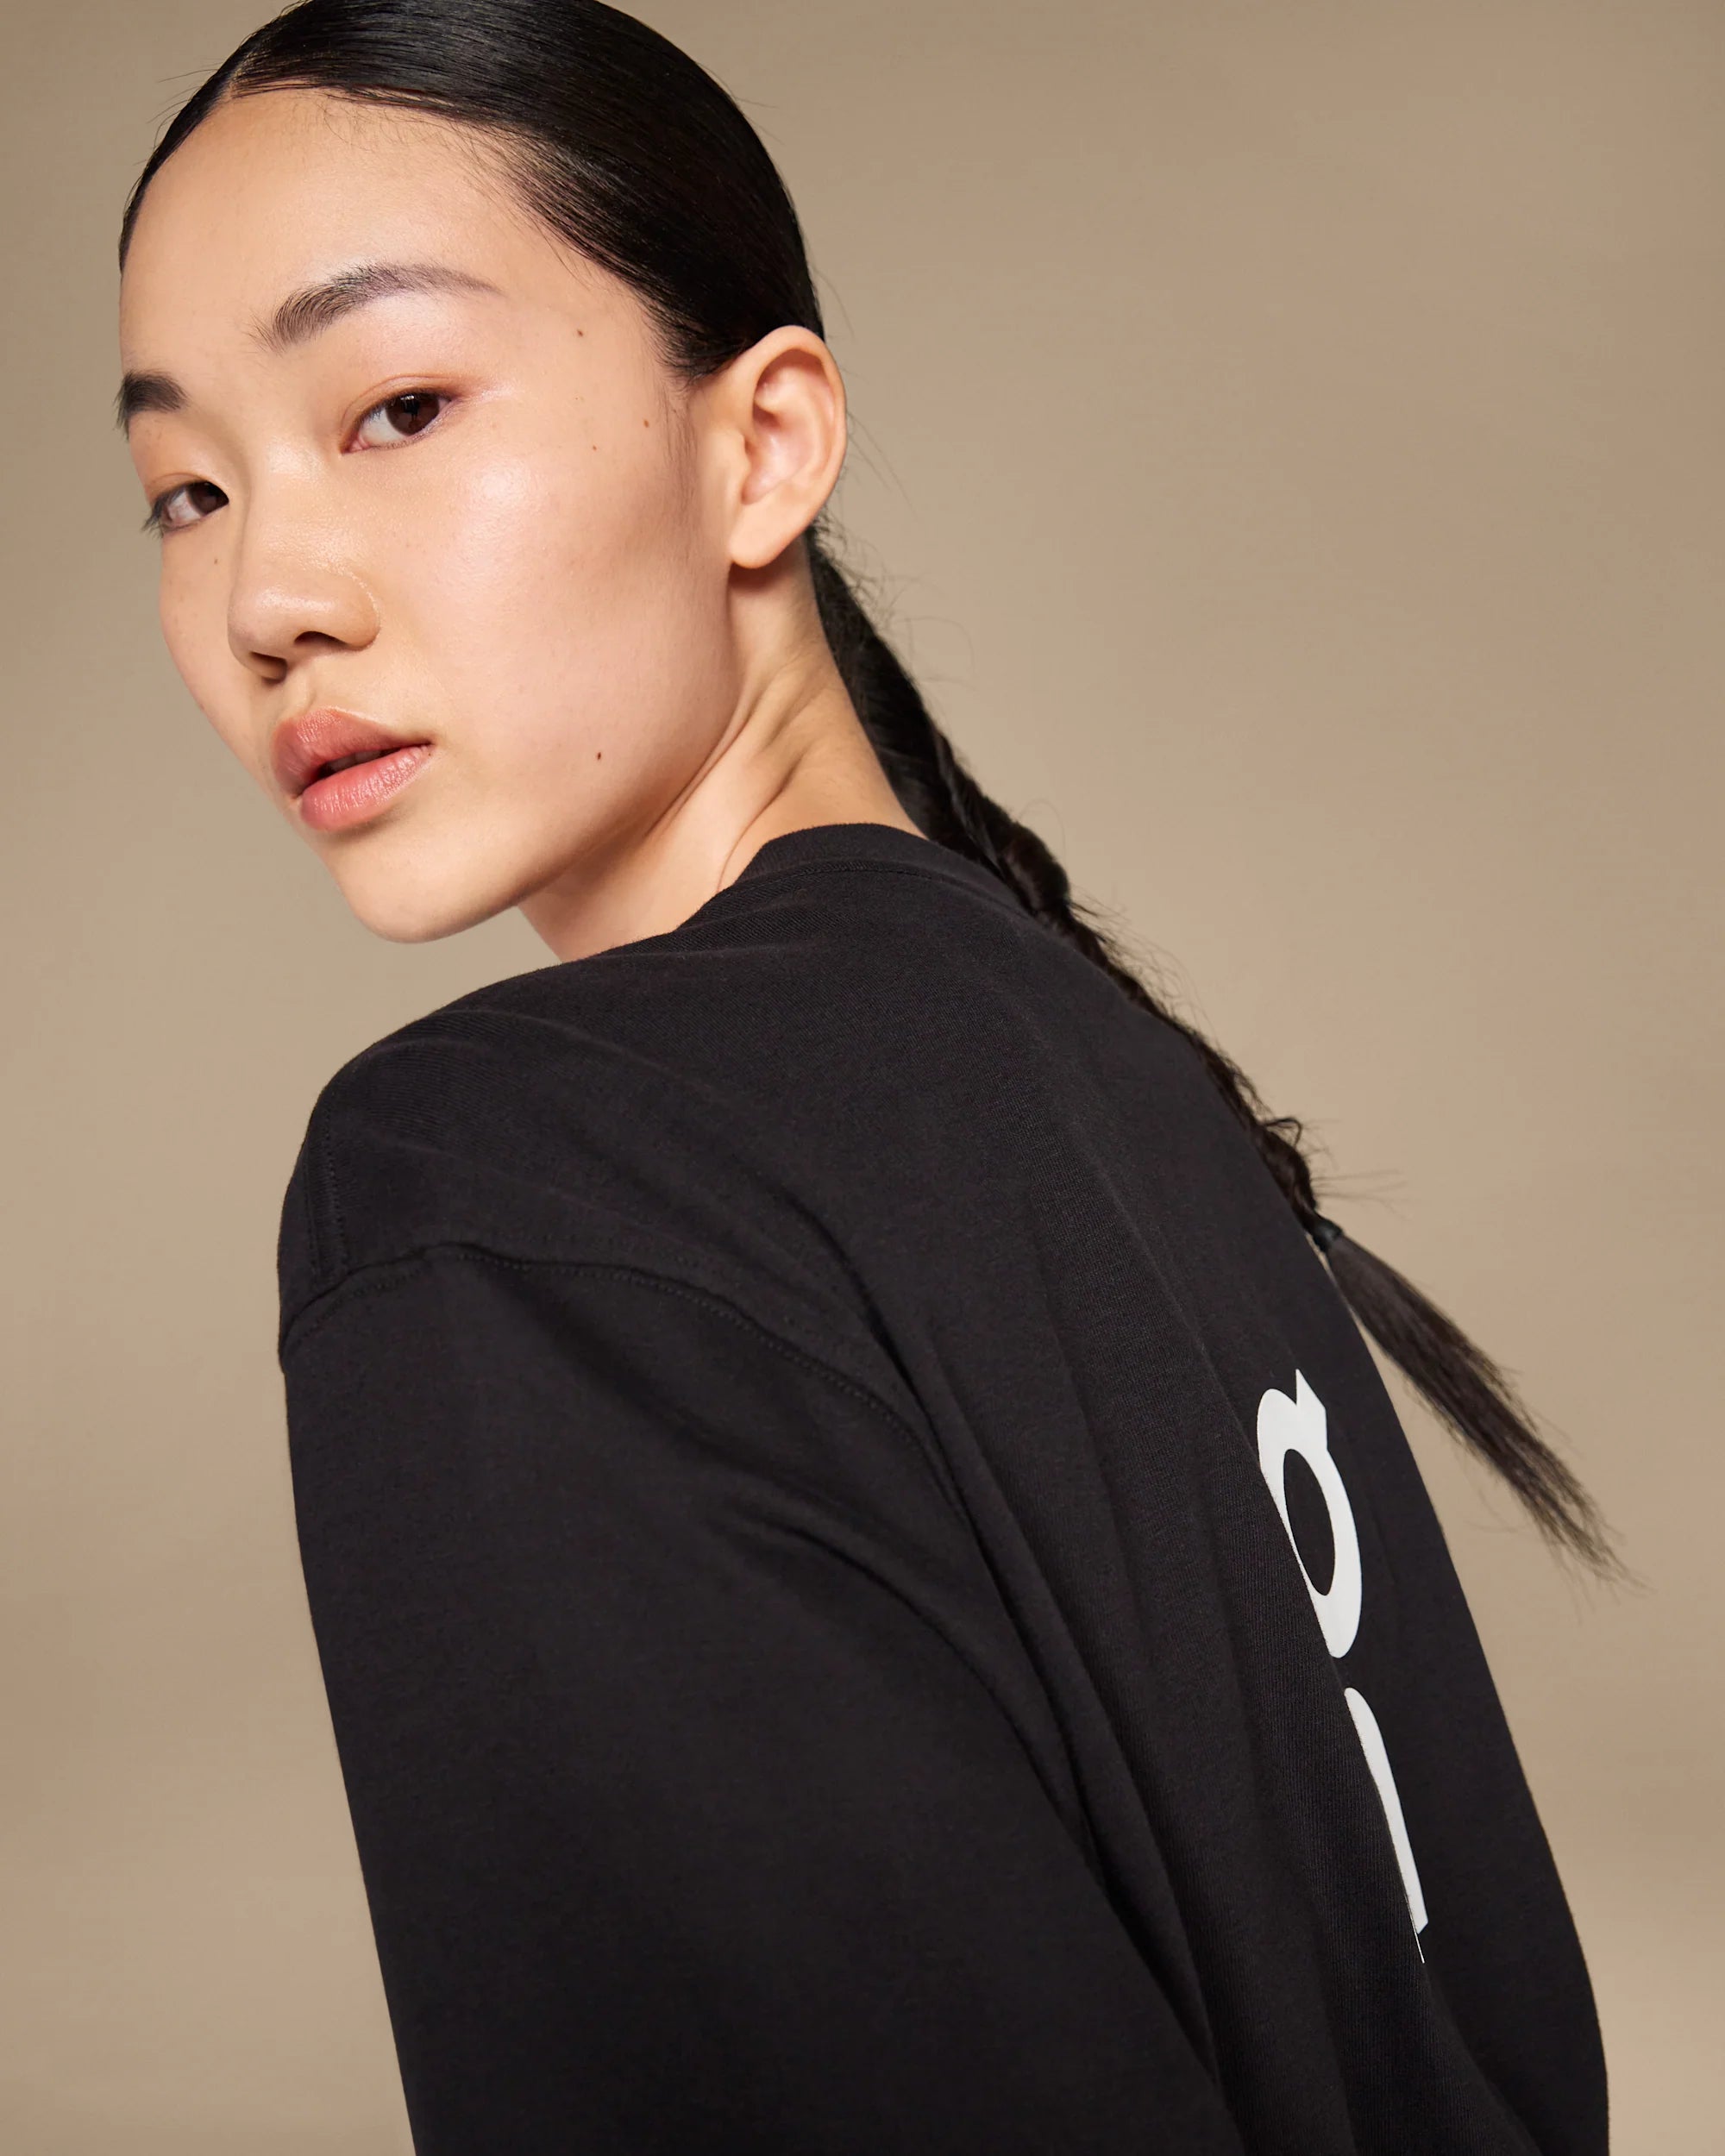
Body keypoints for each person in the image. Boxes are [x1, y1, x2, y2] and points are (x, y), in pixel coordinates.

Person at [115, 3, 1613, 2149]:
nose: (267, 593)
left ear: (763, 445)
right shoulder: (1119, 1084)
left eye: (399, 406)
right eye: (187, 488)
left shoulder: (519, 1173)